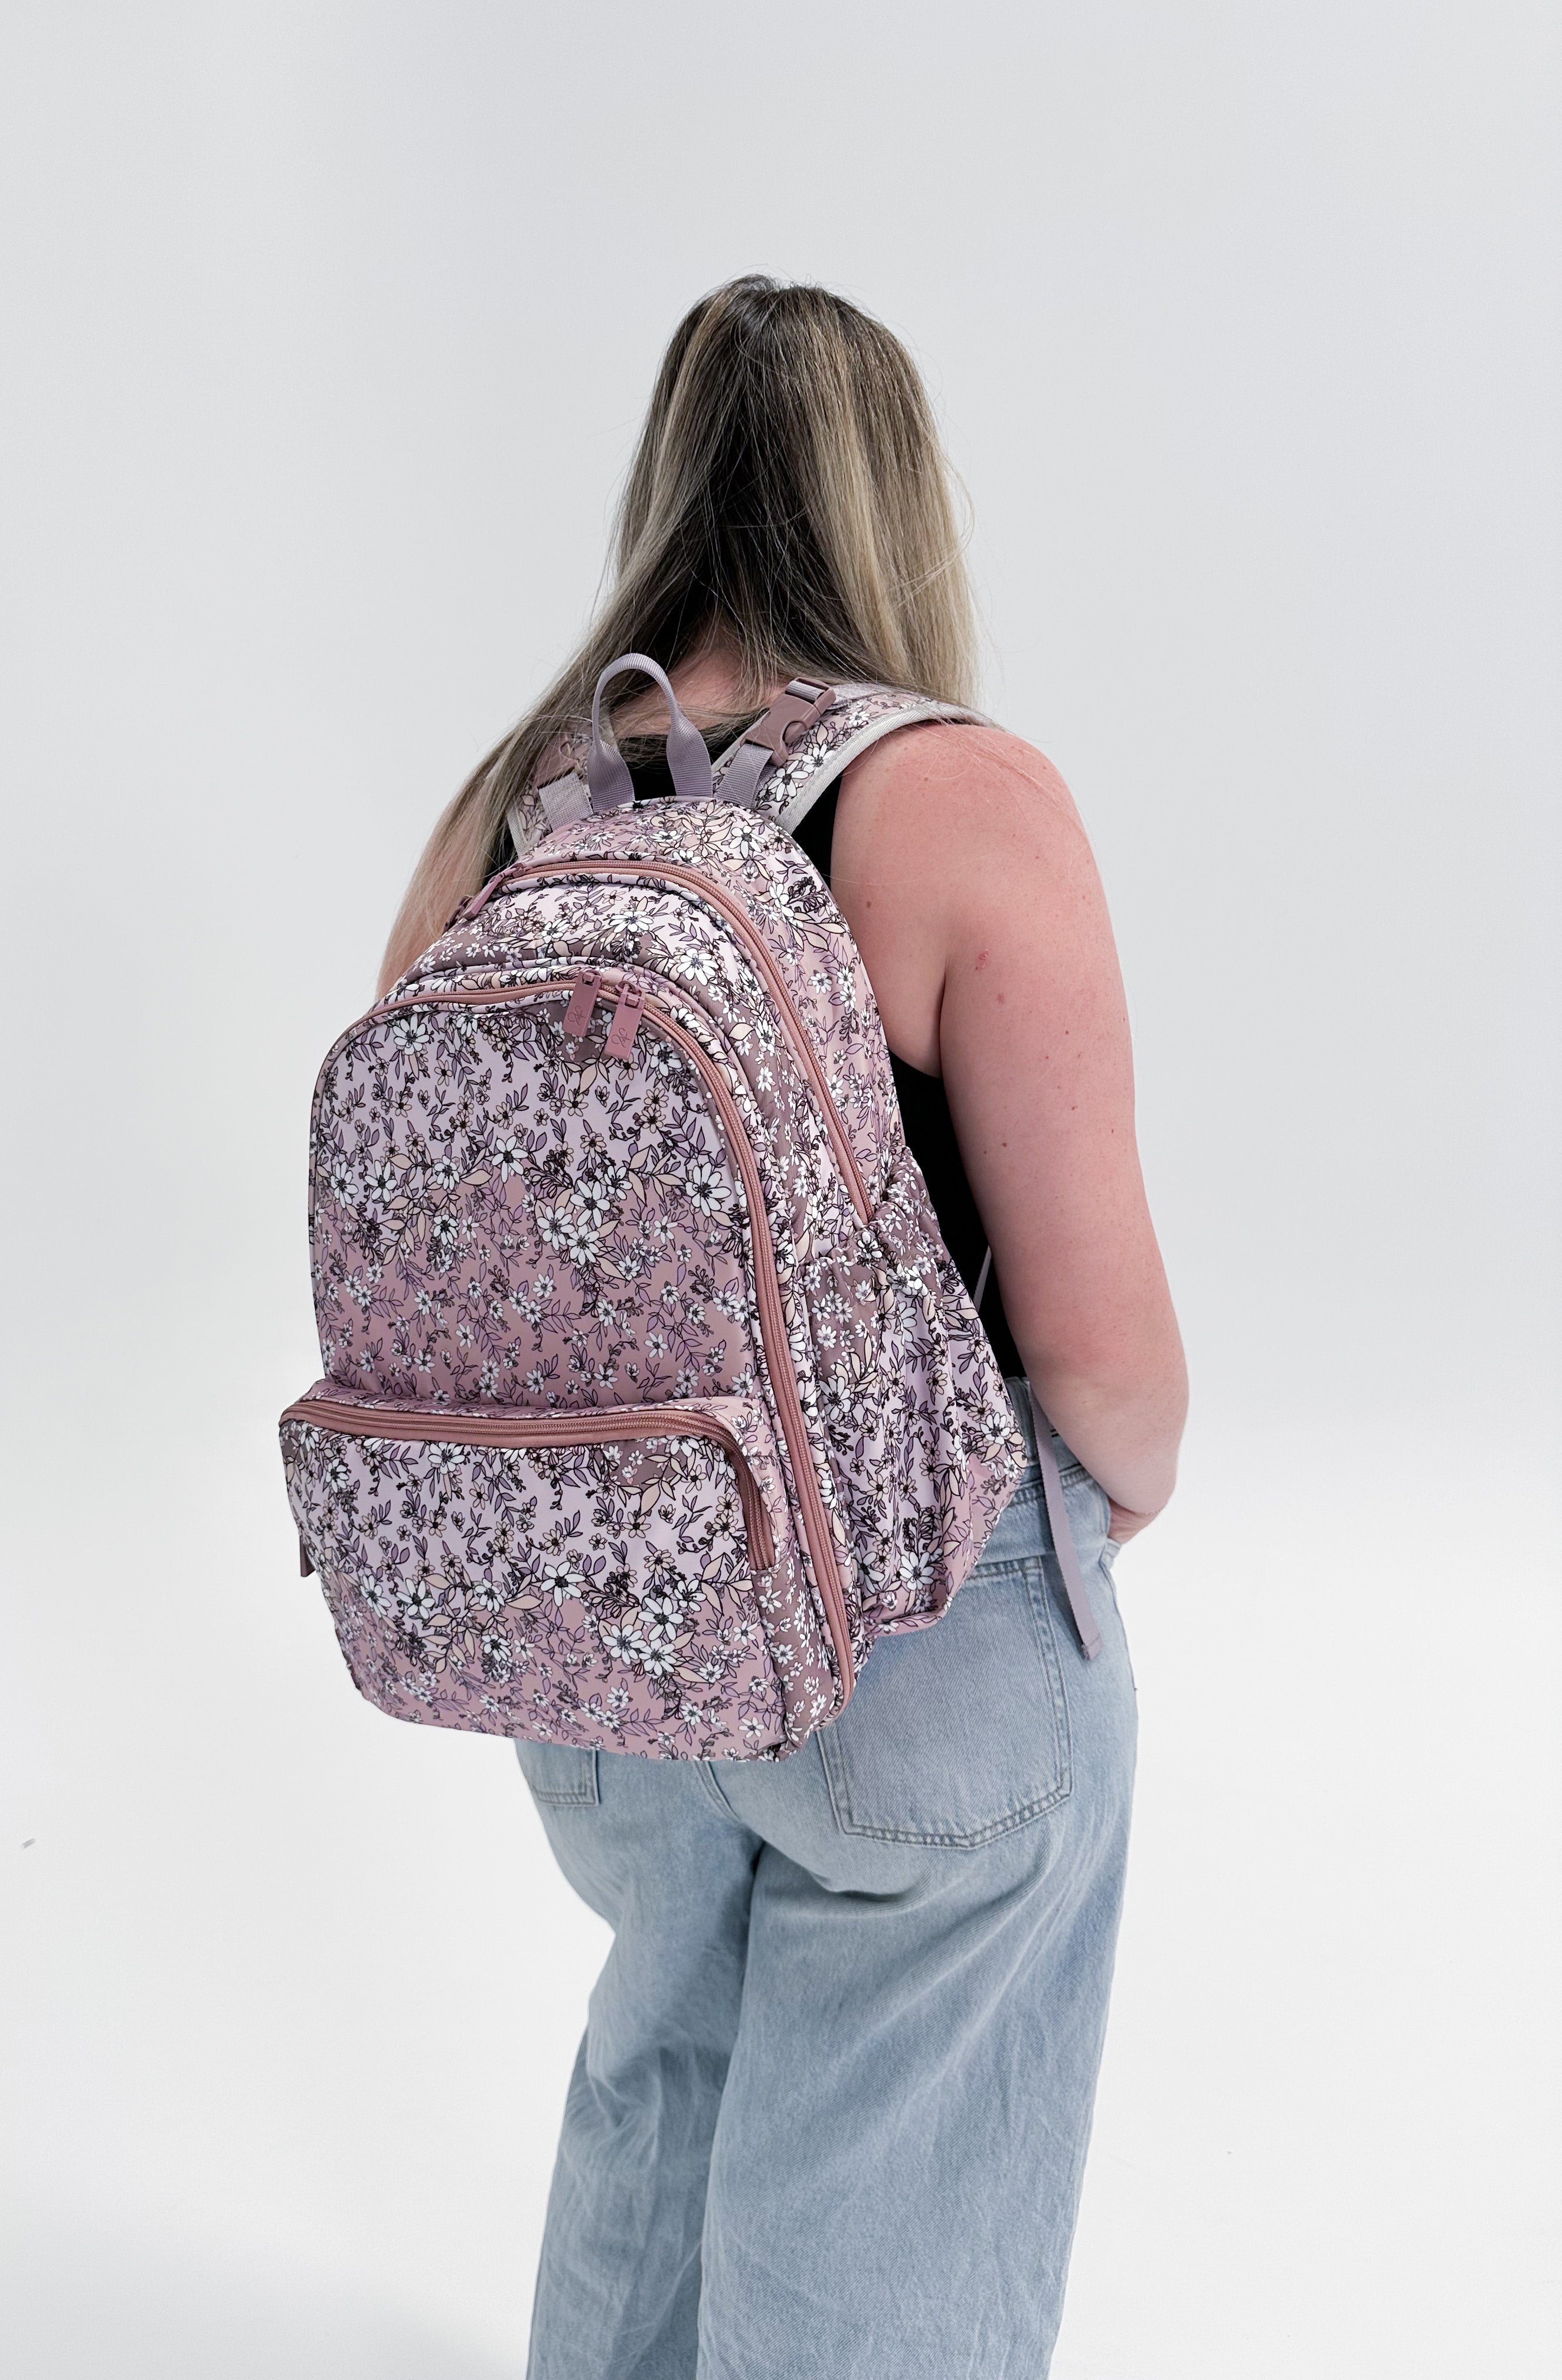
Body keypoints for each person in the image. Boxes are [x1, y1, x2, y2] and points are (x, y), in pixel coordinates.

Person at [379, 276, 1188, 2380]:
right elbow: (1104, 1366)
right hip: (911, 1637)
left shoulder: (503, 818)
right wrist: (1088, 1528)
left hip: (600, 1635)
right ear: (897, 504)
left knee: (663, 2080)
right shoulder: (963, 800)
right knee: (889, 2193)